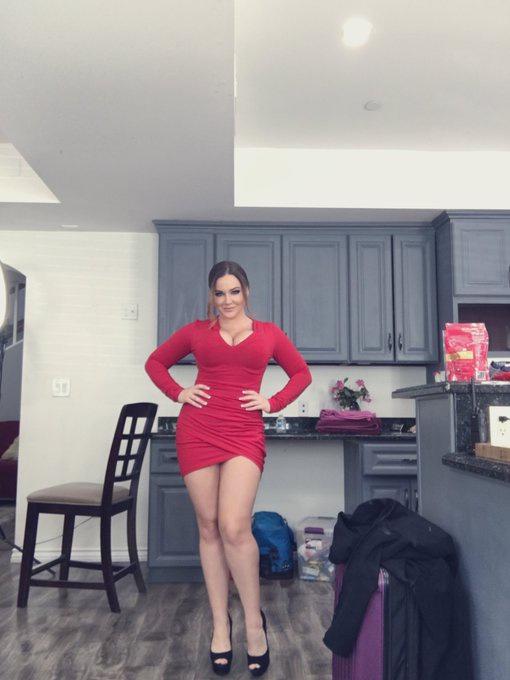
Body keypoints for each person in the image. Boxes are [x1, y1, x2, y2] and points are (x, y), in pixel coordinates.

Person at [144, 260, 312, 676]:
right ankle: (221, 624)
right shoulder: (195, 332)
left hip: (243, 433)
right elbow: (155, 363)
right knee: (208, 527)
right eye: (220, 293)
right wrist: (180, 393)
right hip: (197, 430)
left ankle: (254, 623)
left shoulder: (269, 333)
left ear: (246, 292)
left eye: (234, 291)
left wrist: (272, 402)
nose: (227, 300)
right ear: (211, 296)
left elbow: (301, 374)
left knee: (234, 526)